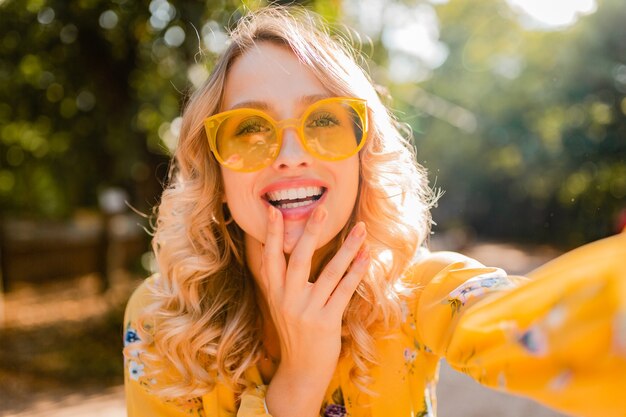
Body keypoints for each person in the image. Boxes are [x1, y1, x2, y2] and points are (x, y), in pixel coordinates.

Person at [123, 6, 626, 417]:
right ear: (215, 169)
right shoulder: (161, 324)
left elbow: (540, 320)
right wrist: (299, 381)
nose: (290, 153)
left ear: (363, 157)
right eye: (250, 130)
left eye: (324, 120)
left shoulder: (418, 293)